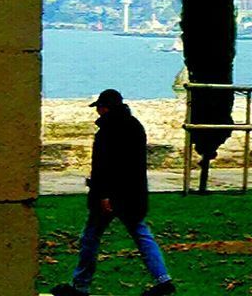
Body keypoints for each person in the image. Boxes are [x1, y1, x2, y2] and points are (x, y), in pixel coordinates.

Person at [51, 88, 175, 296]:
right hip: (133, 194)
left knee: (90, 237)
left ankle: (81, 285)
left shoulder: (107, 131)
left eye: (99, 108)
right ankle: (163, 279)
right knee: (141, 234)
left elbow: (105, 166)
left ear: (104, 108)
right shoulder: (135, 127)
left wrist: (104, 195)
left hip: (110, 196)